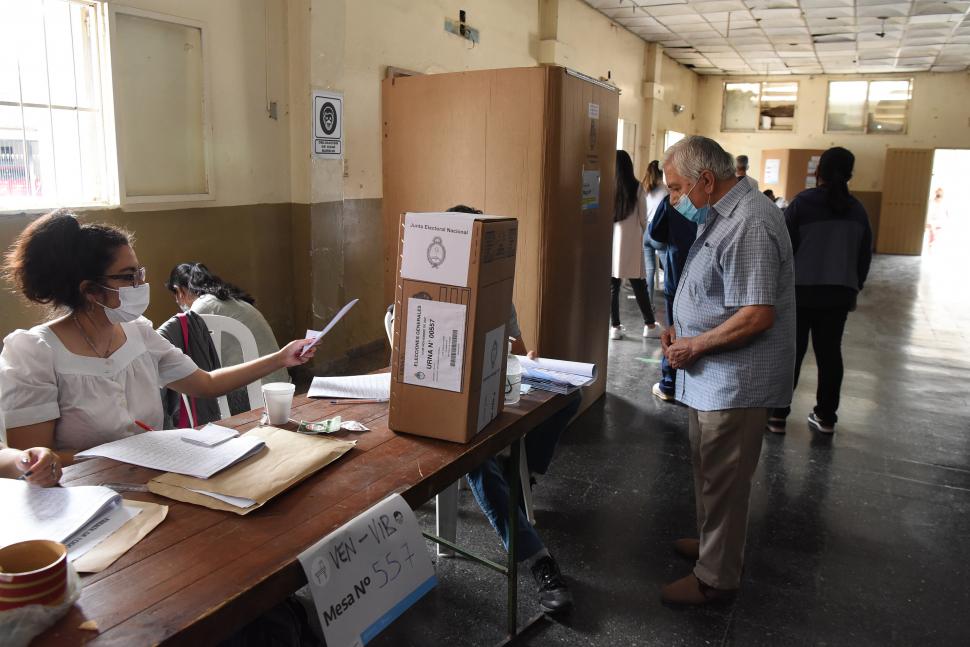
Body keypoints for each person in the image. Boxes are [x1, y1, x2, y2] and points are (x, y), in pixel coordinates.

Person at [0, 211, 316, 463]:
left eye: (140, 273)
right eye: (128, 277)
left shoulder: (138, 333)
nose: (140, 284)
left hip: (151, 479)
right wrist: (122, 456)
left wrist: (280, 357)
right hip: (81, 498)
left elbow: (205, 383)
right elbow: (35, 461)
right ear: (90, 290)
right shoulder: (35, 353)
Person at [659, 136, 794, 604]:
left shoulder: (749, 222)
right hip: (709, 375)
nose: (674, 200)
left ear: (707, 181)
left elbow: (757, 314)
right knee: (710, 468)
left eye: (676, 189)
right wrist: (682, 328)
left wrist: (695, 343)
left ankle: (715, 579)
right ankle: (712, 543)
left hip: (734, 381)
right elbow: (716, 290)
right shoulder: (723, 213)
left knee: (726, 478)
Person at [447, 204, 579, 614]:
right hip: (453, 410)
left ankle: (524, 476)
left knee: (567, 396)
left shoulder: (495, 290)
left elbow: (517, 350)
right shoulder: (428, 290)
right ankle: (538, 559)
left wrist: (529, 360)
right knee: (478, 460)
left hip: (496, 392)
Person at [768, 147, 872, 435]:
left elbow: (782, 249)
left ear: (818, 172)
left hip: (800, 293)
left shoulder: (802, 204)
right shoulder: (858, 210)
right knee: (830, 355)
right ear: (850, 174)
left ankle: (777, 416)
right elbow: (865, 255)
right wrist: (854, 287)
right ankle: (826, 416)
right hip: (838, 295)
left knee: (793, 353)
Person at [165, 263, 290, 386]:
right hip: (277, 383)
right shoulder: (227, 299)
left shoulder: (202, 306)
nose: (177, 301)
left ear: (179, 290)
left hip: (257, 389)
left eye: (175, 296)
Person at [647, 195, 697, 403]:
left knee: (674, 330)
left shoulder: (672, 199)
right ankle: (693, 385)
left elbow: (655, 233)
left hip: (677, 270)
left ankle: (669, 382)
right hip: (707, 280)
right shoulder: (716, 197)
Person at [611, 150, 659, 340]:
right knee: (639, 284)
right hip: (631, 243)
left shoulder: (608, 186)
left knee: (613, 287)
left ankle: (614, 327)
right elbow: (643, 218)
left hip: (611, 245)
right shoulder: (637, 187)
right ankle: (650, 325)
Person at [642, 160, 668, 305]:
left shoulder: (644, 189)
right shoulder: (666, 191)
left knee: (649, 271)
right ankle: (670, 303)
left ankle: (648, 304)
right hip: (658, 233)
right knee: (668, 269)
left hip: (645, 232)